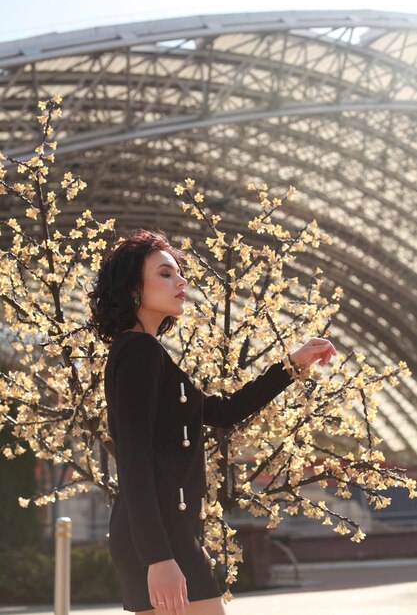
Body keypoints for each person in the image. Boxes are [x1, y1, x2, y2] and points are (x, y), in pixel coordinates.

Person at [88, 228, 337, 615]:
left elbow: (224, 412)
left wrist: (292, 364)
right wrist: (157, 557)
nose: (181, 280)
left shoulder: (147, 353)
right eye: (165, 273)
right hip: (159, 538)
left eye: (179, 272)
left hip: (169, 531)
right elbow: (133, 460)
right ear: (133, 287)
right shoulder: (138, 353)